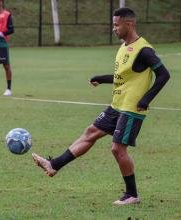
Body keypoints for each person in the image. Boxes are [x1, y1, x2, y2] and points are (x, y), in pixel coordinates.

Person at [32, 7, 170, 205]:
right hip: (117, 104)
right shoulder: (124, 47)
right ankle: (54, 164)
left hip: (132, 108)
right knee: (90, 132)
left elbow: (164, 75)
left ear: (129, 24)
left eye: (116, 25)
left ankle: (132, 194)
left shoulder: (144, 50)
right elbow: (123, 76)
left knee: (117, 149)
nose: (113, 29)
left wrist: (146, 99)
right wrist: (102, 79)